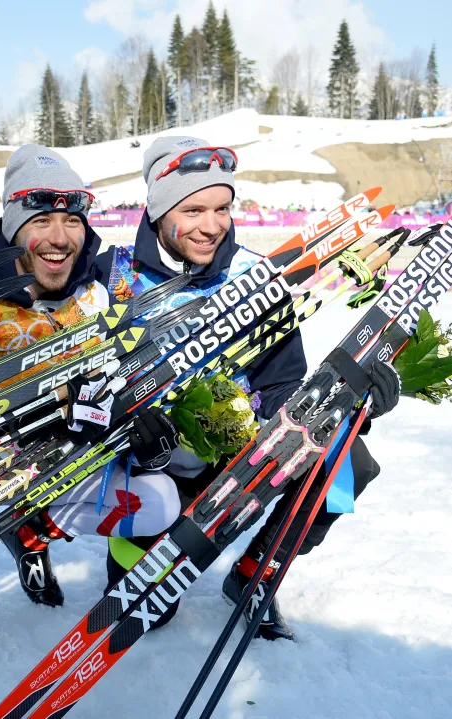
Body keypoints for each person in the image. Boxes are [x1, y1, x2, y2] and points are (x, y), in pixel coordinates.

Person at [74, 136, 399, 639]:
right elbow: (72, 371)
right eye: (194, 208)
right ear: (158, 210)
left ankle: (258, 571)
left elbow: (284, 382)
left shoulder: (256, 276)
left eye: (222, 207)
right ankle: (132, 553)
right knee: (152, 614)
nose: (211, 225)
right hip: (151, 468)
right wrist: (117, 415)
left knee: (348, 465)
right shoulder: (110, 277)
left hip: (234, 450)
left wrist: (350, 403)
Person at [0, 145, 177, 667]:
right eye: (41, 219)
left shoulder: (103, 290)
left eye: (72, 220)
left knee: (160, 501)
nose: (60, 238)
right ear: (14, 227)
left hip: (65, 461)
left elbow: (130, 372)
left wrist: (141, 419)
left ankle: (34, 530)